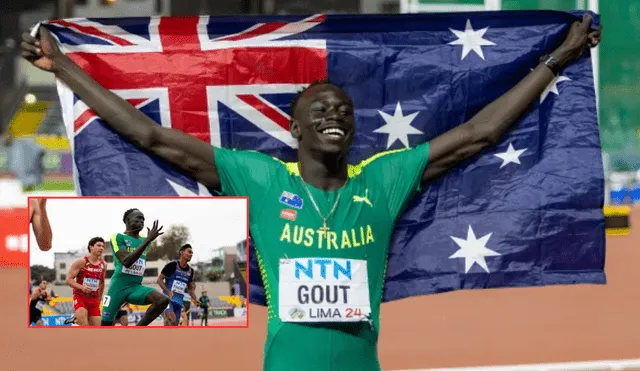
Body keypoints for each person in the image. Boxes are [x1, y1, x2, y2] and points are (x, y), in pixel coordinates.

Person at [21, 15, 602, 370]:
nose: (334, 116)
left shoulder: (384, 177)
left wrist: (556, 60)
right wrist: (63, 68)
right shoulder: (259, 177)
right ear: (295, 130)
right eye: (320, 110)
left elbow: (480, 133)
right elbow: (149, 134)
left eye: (344, 112)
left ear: (352, 129)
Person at [98, 208, 169, 326]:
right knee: (106, 326)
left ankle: (137, 331)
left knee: (163, 300)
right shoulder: (118, 237)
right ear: (127, 220)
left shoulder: (144, 240)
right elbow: (126, 261)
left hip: (135, 287)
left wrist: (146, 240)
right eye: (138, 218)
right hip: (118, 288)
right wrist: (147, 240)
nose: (142, 221)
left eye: (143, 219)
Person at [65, 237, 106, 326]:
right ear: (91, 247)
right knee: (84, 326)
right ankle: (77, 319)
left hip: (94, 300)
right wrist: (82, 287)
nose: (102, 248)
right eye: (99, 245)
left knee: (97, 331)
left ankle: (76, 320)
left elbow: (102, 283)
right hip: (80, 297)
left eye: (103, 246)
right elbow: (68, 280)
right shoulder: (82, 262)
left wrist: (99, 299)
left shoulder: (104, 265)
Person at [157, 244, 200, 326]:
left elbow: (190, 289)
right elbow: (159, 280)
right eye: (189, 252)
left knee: (174, 324)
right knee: (171, 319)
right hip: (167, 299)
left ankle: (166, 338)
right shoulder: (172, 265)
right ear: (181, 252)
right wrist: (168, 291)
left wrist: (195, 299)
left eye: (192, 253)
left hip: (179, 302)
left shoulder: (190, 271)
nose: (191, 254)